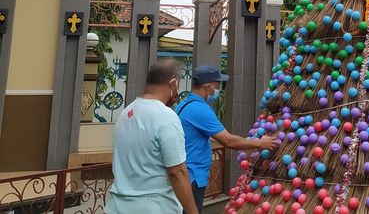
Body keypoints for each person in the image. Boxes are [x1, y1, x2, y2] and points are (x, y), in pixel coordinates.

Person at [175, 65, 279, 212]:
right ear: (208, 85)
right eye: (218, 84)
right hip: (192, 176)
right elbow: (228, 140)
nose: (219, 89)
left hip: (185, 174)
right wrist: (260, 143)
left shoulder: (183, 104)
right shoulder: (200, 110)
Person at [107, 60, 198, 214]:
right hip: (155, 207)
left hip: (116, 207)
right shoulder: (166, 116)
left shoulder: (126, 113)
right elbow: (177, 172)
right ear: (173, 84)